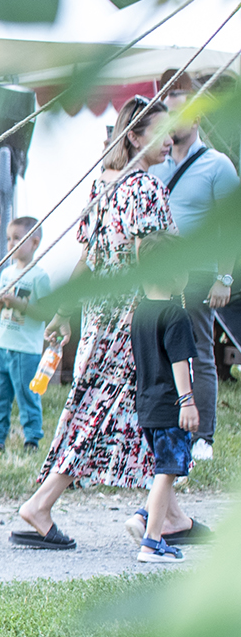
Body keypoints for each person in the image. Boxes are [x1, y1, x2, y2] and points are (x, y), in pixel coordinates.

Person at [13, 97, 179, 551]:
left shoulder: (103, 185)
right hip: (132, 316)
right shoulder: (147, 188)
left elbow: (88, 253)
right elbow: (153, 261)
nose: (171, 140)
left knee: (114, 409)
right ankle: (41, 504)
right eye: (162, 132)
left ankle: (171, 513)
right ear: (135, 136)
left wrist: (66, 313)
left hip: (98, 315)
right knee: (103, 413)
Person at [156, 100, 240, 453]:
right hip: (158, 274)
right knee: (160, 352)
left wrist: (225, 276)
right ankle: (166, 431)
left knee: (199, 353)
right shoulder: (156, 164)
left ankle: (203, 435)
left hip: (200, 274)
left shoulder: (217, 165)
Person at [126, 235, 200, 563]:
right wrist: (187, 401)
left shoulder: (140, 312)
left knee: (164, 469)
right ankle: (152, 542)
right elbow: (179, 363)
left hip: (147, 406)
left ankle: (145, 517)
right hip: (171, 406)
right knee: (167, 471)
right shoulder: (176, 315)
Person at [0, 216, 51, 453]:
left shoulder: (39, 276)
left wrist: (17, 303)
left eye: (17, 239)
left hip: (26, 348)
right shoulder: (6, 274)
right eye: (9, 239)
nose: (11, 244)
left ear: (34, 243)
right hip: (2, 344)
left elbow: (45, 312)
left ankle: (32, 438)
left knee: (27, 396)